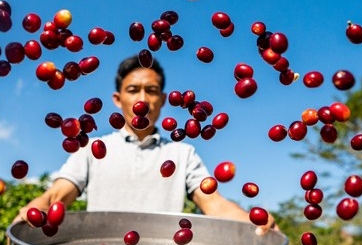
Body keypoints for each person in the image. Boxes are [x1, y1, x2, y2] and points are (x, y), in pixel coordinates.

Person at [15, 55, 277, 234]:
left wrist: (252, 220)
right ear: (118, 99)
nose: (143, 99)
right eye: (133, 90)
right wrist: (36, 208)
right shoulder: (91, 148)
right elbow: (58, 195)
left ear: (163, 99)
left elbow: (213, 204)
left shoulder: (181, 153)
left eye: (151, 91)